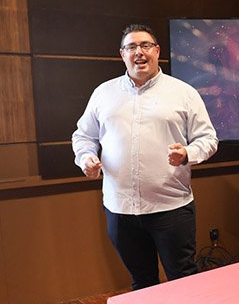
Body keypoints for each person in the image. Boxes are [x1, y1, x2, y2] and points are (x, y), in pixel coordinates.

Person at [72, 24, 218, 290]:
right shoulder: (103, 94)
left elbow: (208, 139)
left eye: (145, 45)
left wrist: (188, 153)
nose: (139, 52)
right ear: (122, 54)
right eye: (131, 47)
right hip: (120, 209)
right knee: (142, 282)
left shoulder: (184, 93)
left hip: (171, 207)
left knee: (183, 279)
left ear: (157, 51)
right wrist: (86, 157)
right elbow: (83, 136)